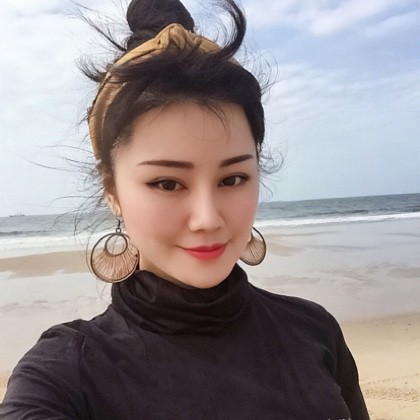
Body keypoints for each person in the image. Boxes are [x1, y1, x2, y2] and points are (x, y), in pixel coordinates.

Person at [0, 0, 369, 418]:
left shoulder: (314, 332)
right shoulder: (63, 376)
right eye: (167, 183)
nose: (207, 218)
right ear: (112, 190)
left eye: (232, 179)